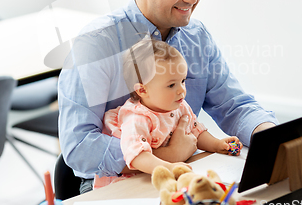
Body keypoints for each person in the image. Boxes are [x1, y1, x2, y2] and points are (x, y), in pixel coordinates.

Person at [58, 0, 278, 194]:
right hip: (113, 185)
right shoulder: (95, 45)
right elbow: (79, 146)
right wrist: (167, 155)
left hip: (182, 176)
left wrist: (274, 138)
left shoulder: (196, 36)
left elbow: (234, 105)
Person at [93, 38, 242, 189]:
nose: (181, 90)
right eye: (171, 85)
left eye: (182, 81)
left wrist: (217, 144)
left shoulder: (178, 104)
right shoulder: (136, 118)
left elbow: (195, 130)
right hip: (131, 180)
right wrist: (169, 167)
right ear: (143, 90)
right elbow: (137, 156)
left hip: (166, 173)